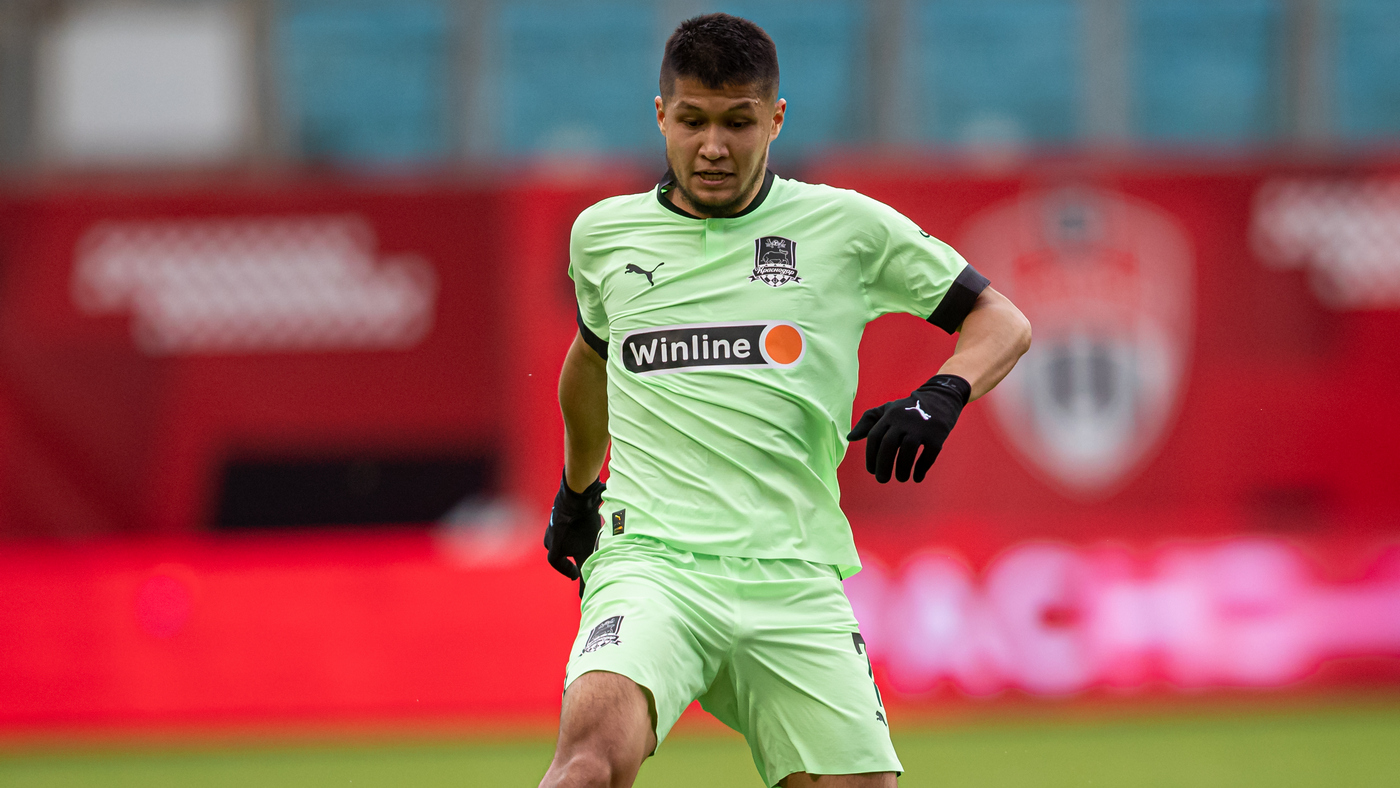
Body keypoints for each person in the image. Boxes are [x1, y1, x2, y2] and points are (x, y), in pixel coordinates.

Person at [540, 13, 1031, 788]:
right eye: (693, 121)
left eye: (738, 123)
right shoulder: (602, 235)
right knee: (587, 764)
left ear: (775, 119)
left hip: (794, 572)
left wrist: (944, 392)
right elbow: (592, 360)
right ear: (661, 115)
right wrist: (576, 491)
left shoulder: (845, 227)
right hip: (652, 563)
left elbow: (1001, 320)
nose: (713, 145)